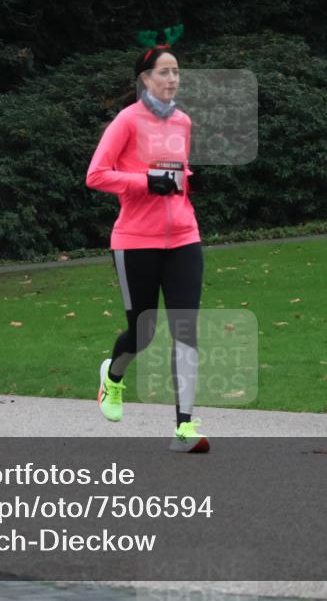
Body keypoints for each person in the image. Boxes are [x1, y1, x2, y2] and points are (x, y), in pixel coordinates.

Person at [85, 27, 209, 453]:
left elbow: (178, 175)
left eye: (177, 73)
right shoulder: (126, 120)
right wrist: (145, 181)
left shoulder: (183, 122)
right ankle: (112, 377)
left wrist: (180, 181)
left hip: (184, 238)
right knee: (144, 330)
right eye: (164, 72)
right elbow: (96, 175)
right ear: (145, 79)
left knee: (186, 329)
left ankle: (184, 427)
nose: (172, 80)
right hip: (135, 239)